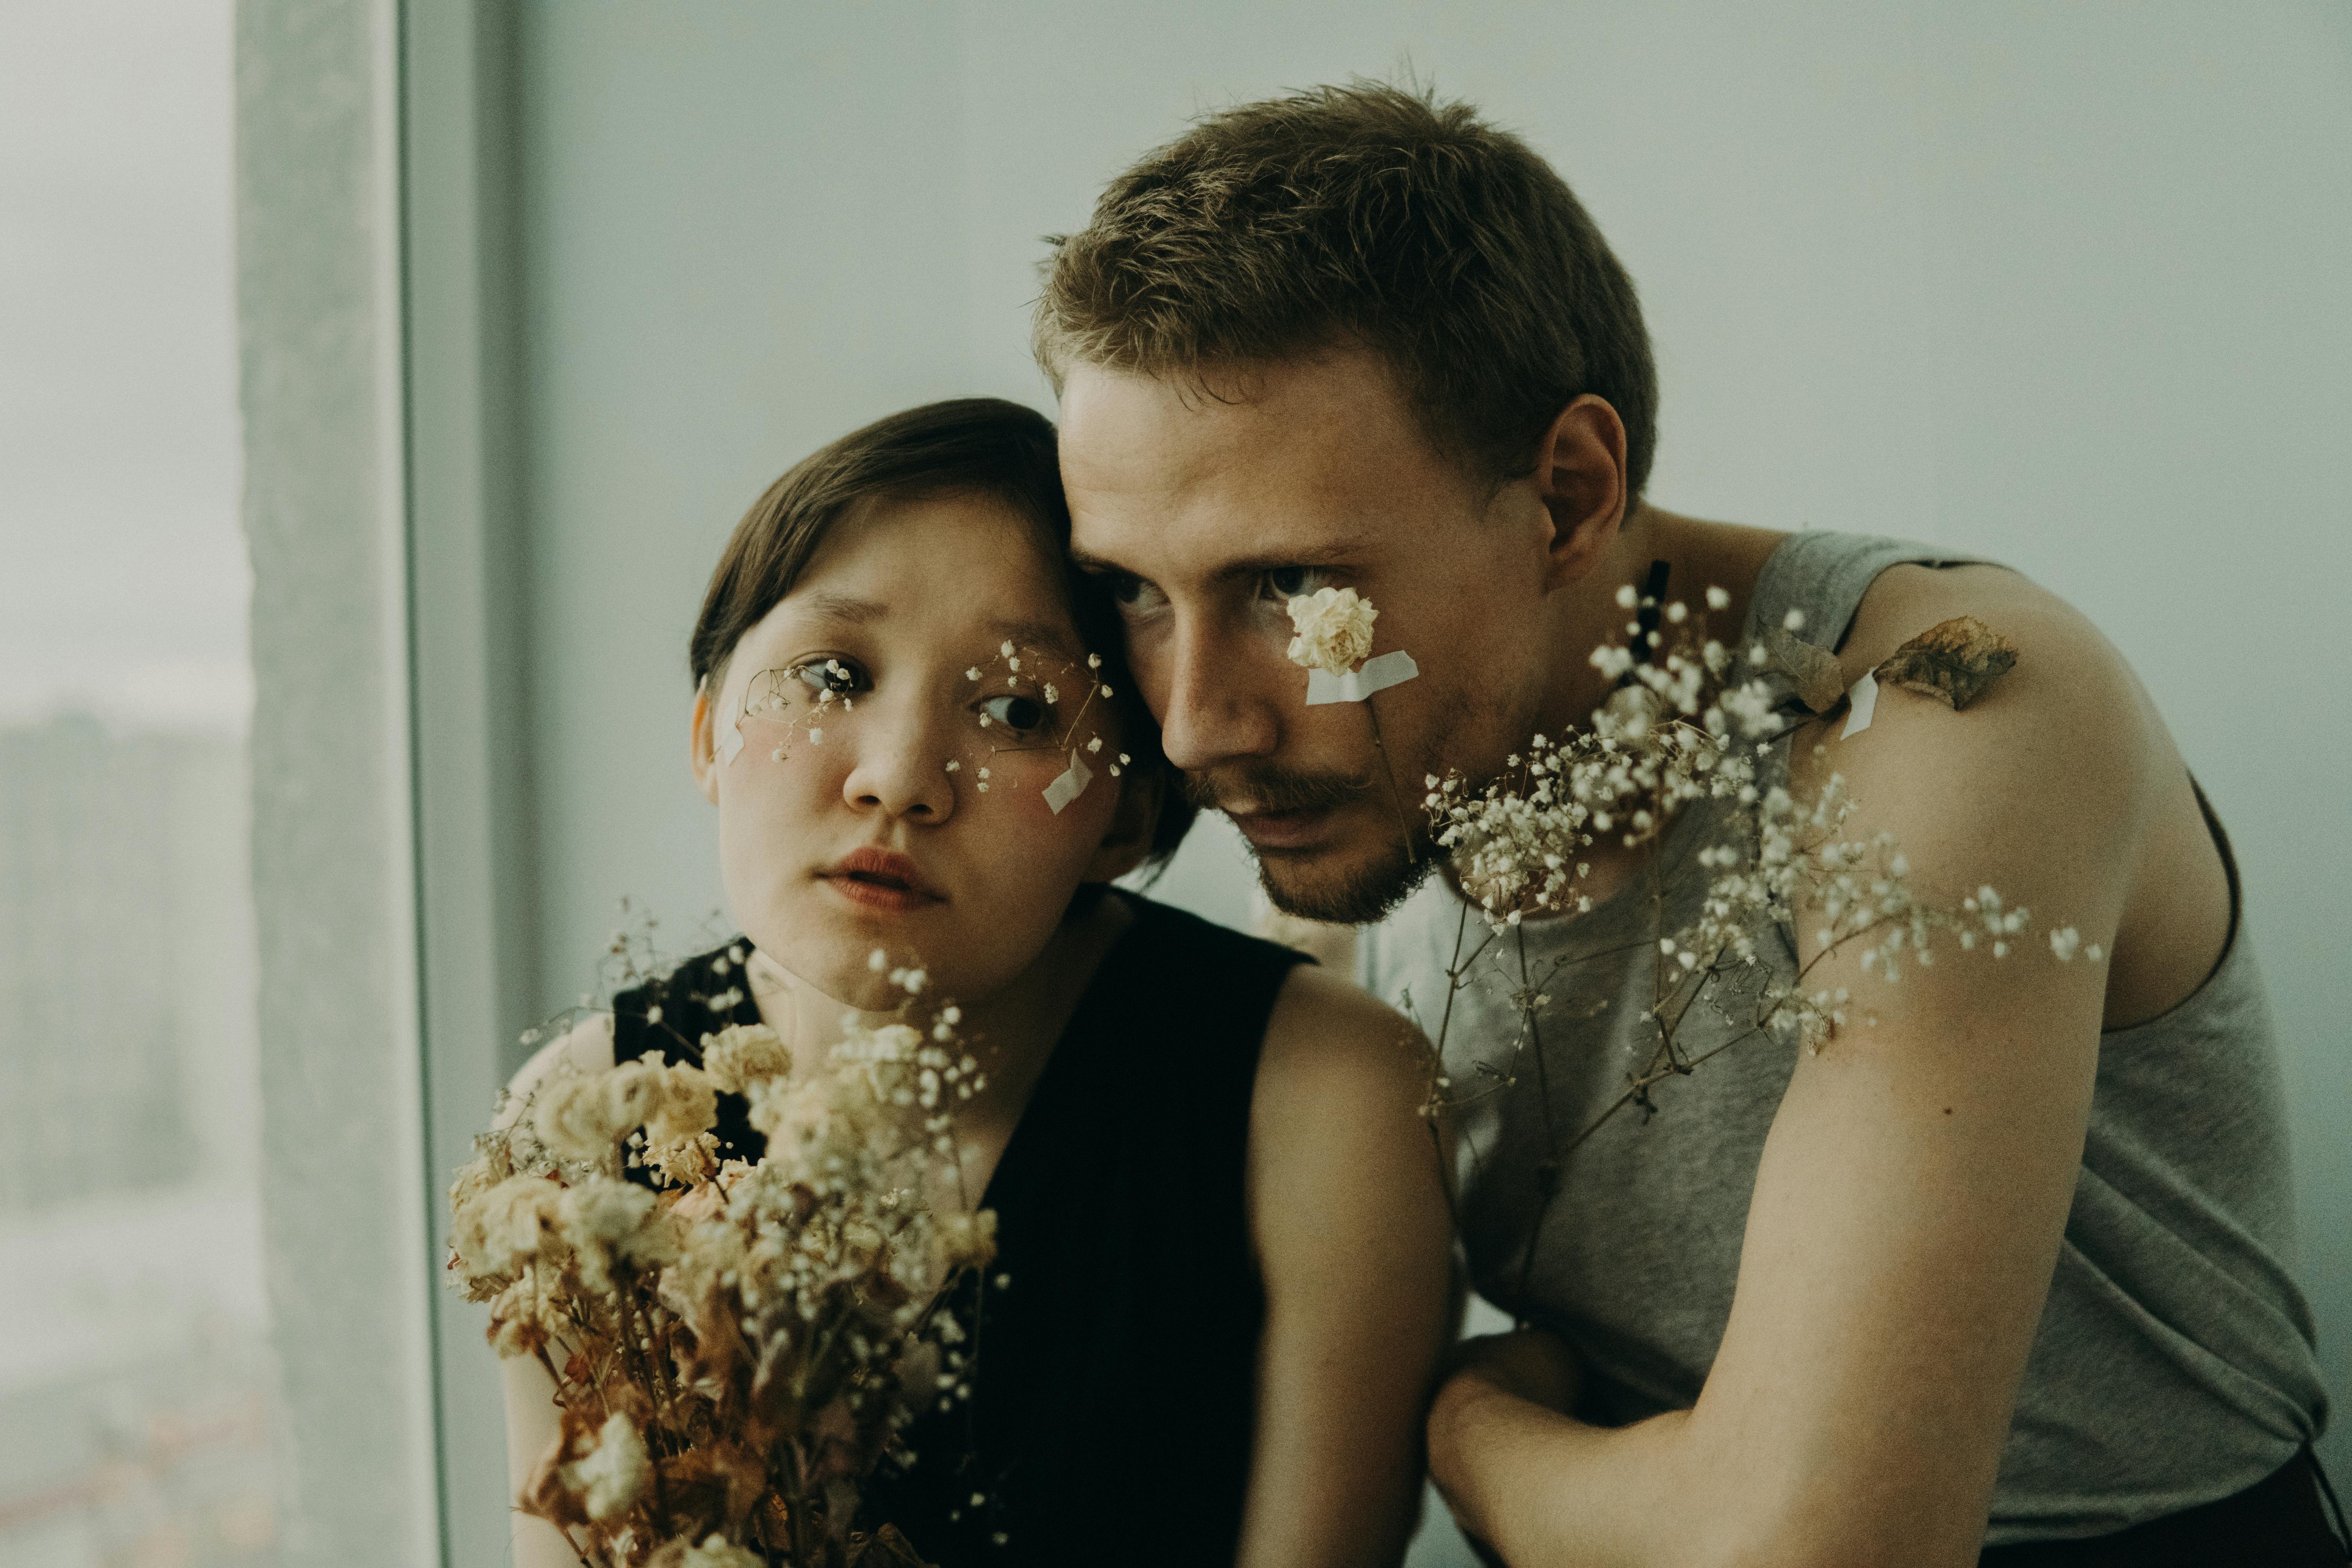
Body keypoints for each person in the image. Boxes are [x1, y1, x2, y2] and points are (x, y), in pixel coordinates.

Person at [1038, 83, 2345, 1566]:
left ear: (1568, 496)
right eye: (1139, 590)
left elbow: (1811, 1554)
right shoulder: (1351, 793)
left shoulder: (1944, 714)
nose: (1200, 721)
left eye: (1287, 584)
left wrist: (1463, 1422)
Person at [494, 399, 1454, 1568]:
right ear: (706, 734)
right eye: (834, 673)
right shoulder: (585, 1127)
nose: (899, 780)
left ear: (1129, 815)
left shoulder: (1317, 1099)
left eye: (1016, 712)